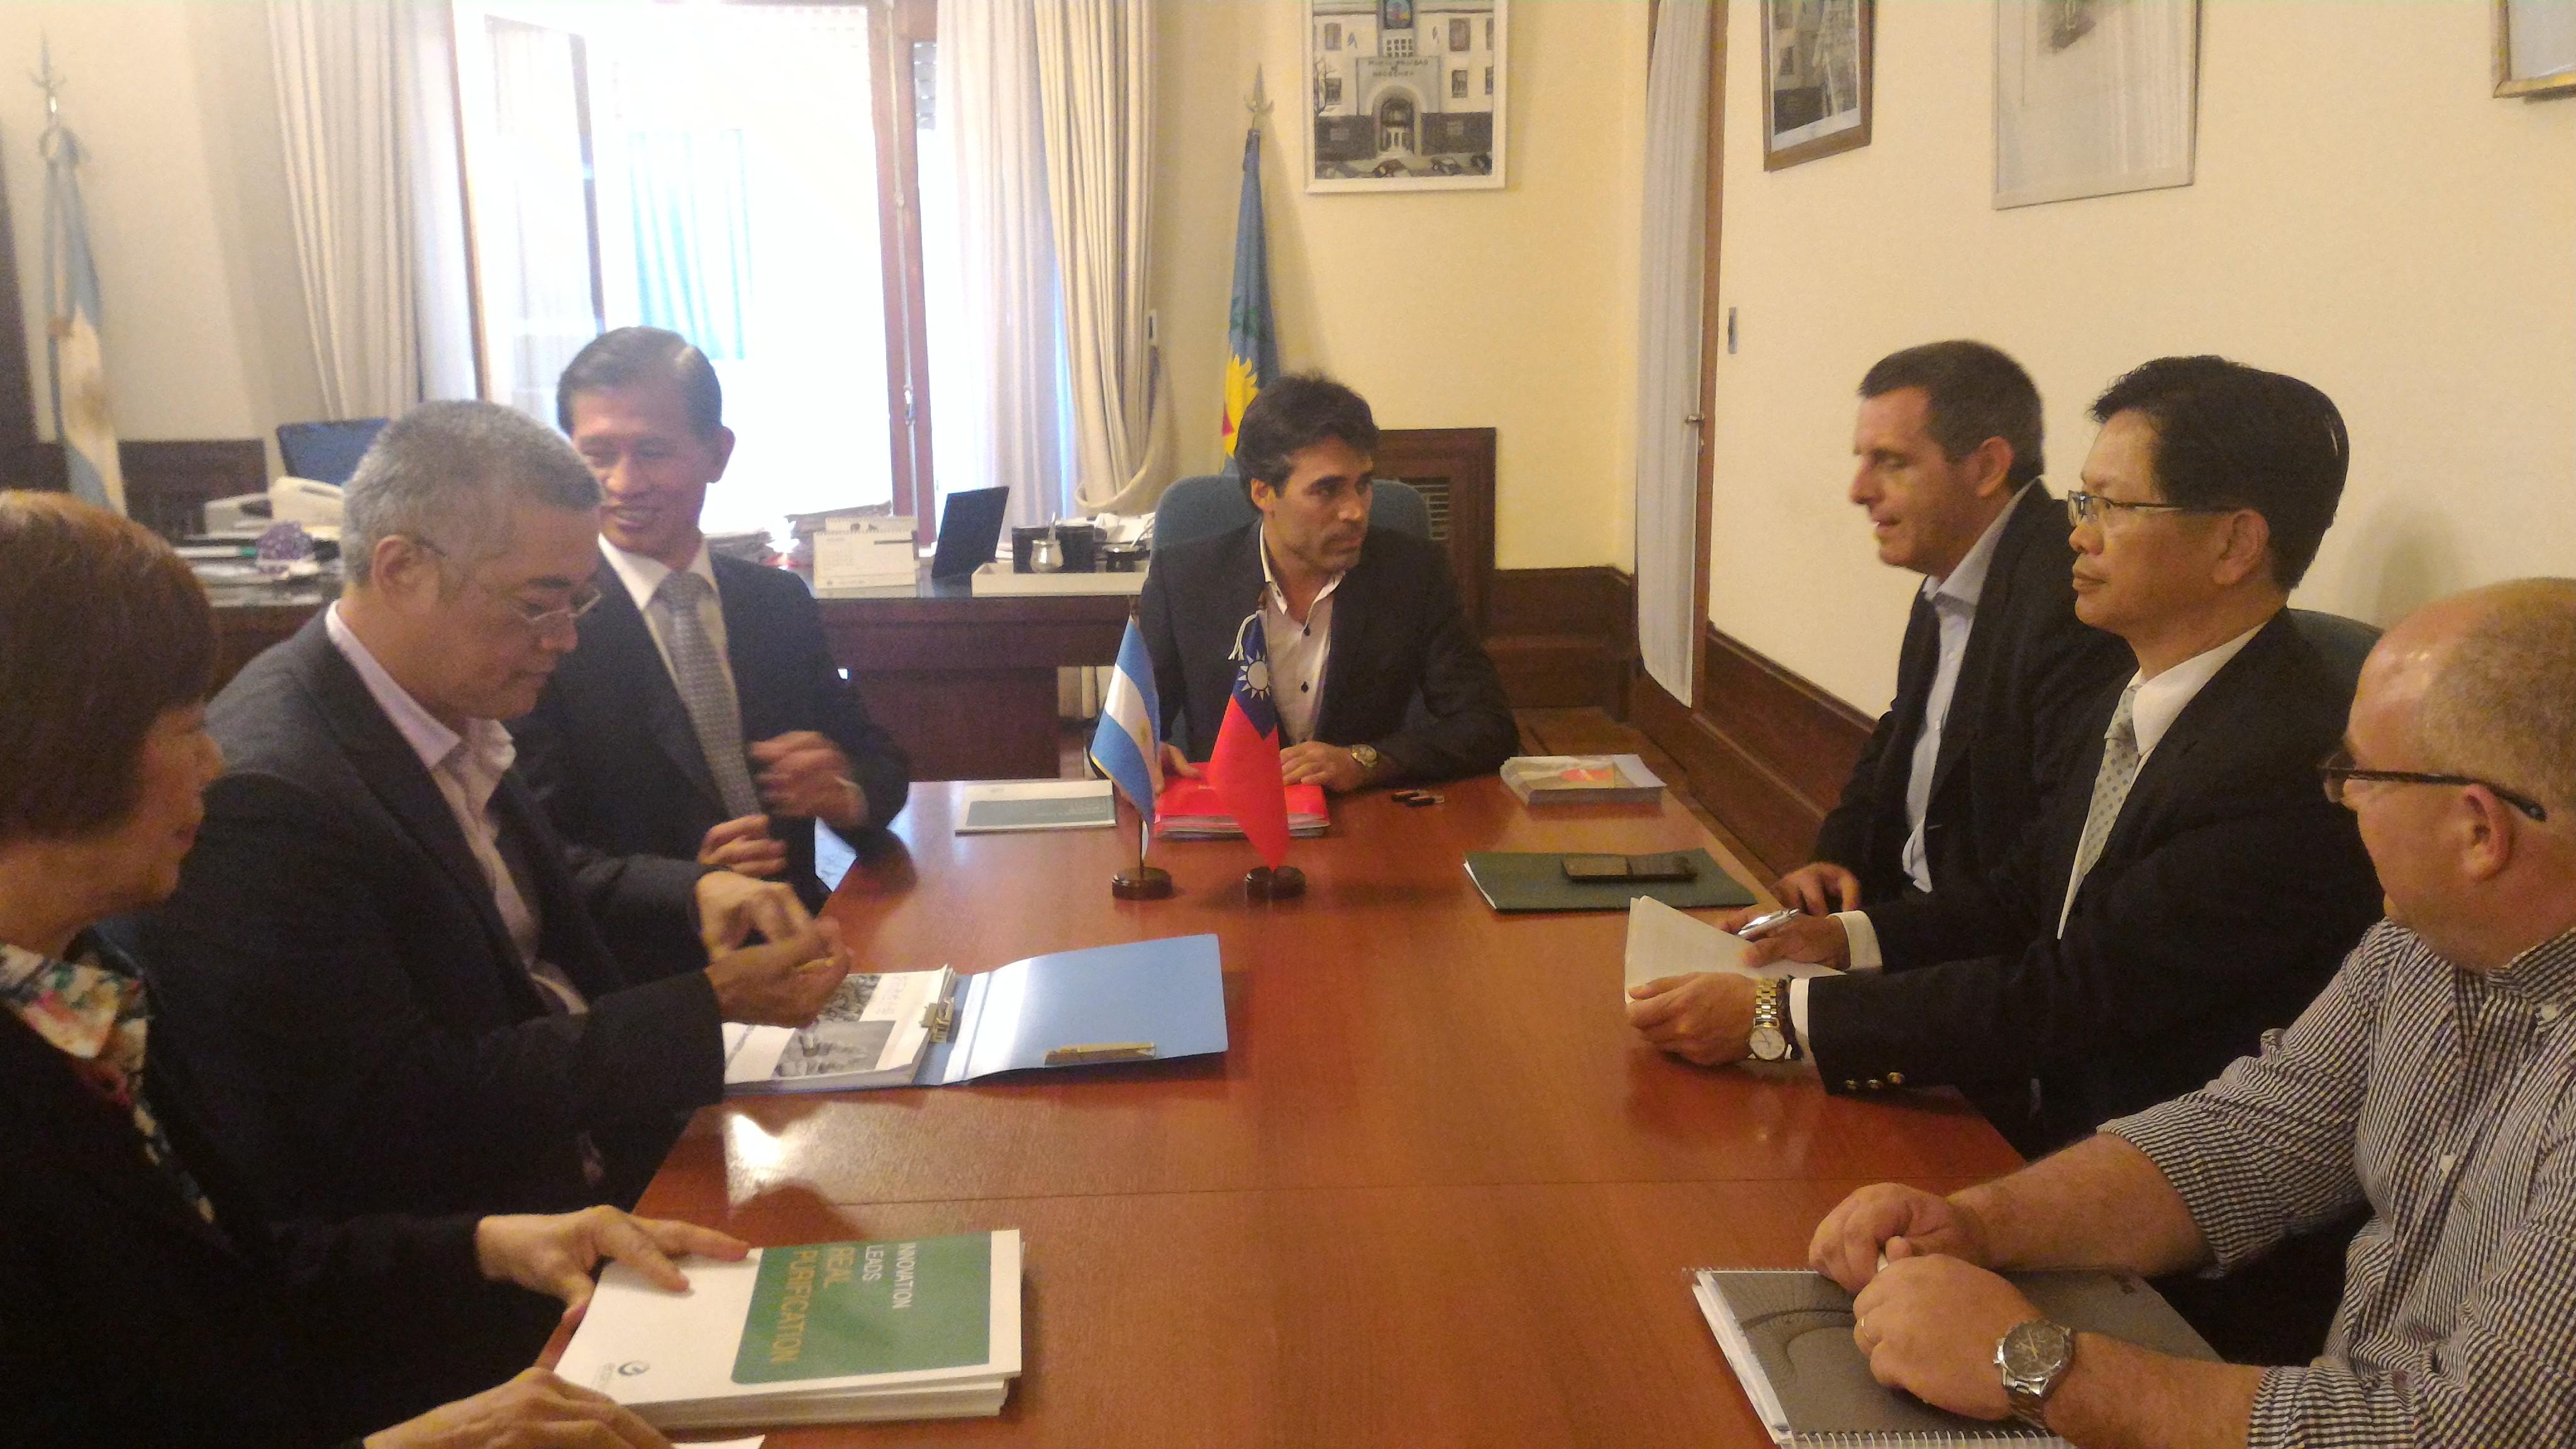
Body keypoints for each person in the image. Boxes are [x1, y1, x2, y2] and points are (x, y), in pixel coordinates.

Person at [0, 491, 738, 1448]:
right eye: (185, 728)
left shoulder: (80, 985)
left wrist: (493, 1244)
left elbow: (235, 1271)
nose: (215, 763)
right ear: (59, 748)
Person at [1806, 579, 2576, 1448]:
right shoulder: (2414, 951)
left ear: (2478, 833)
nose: (2342, 797)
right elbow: (2243, 1141)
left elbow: (2475, 1431)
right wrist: (1979, 1224)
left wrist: (2033, 1367)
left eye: (2360, 774)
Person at [1629, 357, 2382, 1155]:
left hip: (2141, 1158)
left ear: (2235, 543)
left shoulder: (2282, 763)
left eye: (2112, 506)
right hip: (2038, 1094)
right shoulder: (2136, 690)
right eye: (2083, 501)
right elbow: (2027, 895)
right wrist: (1845, 938)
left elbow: (2074, 994)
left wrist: (1776, 1018)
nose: (2078, 534)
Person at [141, 401, 853, 1238]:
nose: (565, 639)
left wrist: (696, 891)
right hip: (488, 1239)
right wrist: (707, 1005)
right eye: (538, 604)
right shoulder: (271, 797)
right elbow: (400, 1104)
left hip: (600, 1157)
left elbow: (506, 893)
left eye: (578, 603)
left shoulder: (444, 695)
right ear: (402, 570)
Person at [514, 327, 911, 916]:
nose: (624, 484)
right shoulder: (543, 627)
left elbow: (881, 764)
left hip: (811, 927)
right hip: (650, 953)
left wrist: (842, 791)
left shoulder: (775, 603)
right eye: (597, 456)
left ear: (718, 453)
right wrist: (689, 886)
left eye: (652, 452)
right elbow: (534, 853)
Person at [1770, 341, 2129, 918]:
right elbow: (1902, 729)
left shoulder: (2072, 599)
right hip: (1908, 914)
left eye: (1892, 462)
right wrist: (1836, 858)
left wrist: (1863, 941)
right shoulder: (1952, 572)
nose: (1859, 490)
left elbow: (2045, 862)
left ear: (1986, 468)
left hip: (1977, 944)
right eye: (1863, 460)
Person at [1140, 373, 1516, 791]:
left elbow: (1488, 727)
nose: (1355, 511)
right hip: (1231, 814)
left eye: (1363, 485)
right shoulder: (1185, 580)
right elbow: (1124, 734)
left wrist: (1366, 761)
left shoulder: (1414, 574)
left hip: (1367, 815)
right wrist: (1144, 755)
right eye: (1327, 490)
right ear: (1264, 493)